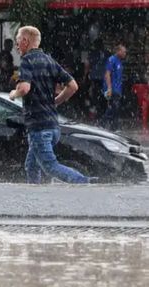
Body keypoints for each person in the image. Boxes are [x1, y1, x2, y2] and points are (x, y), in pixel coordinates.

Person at [9, 26, 92, 184]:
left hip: (39, 127)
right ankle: (35, 198)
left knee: (50, 167)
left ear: (26, 41)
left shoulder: (27, 60)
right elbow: (73, 86)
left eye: (18, 40)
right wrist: (55, 102)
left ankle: (84, 183)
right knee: (31, 165)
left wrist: (14, 93)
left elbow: (24, 88)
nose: (16, 45)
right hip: (53, 126)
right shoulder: (49, 60)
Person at [101, 44, 127, 131]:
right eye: (123, 52)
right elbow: (107, 74)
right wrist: (109, 87)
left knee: (114, 108)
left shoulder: (119, 61)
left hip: (117, 88)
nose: (125, 53)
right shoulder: (112, 60)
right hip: (113, 88)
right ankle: (105, 125)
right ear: (118, 51)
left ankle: (111, 127)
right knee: (113, 107)